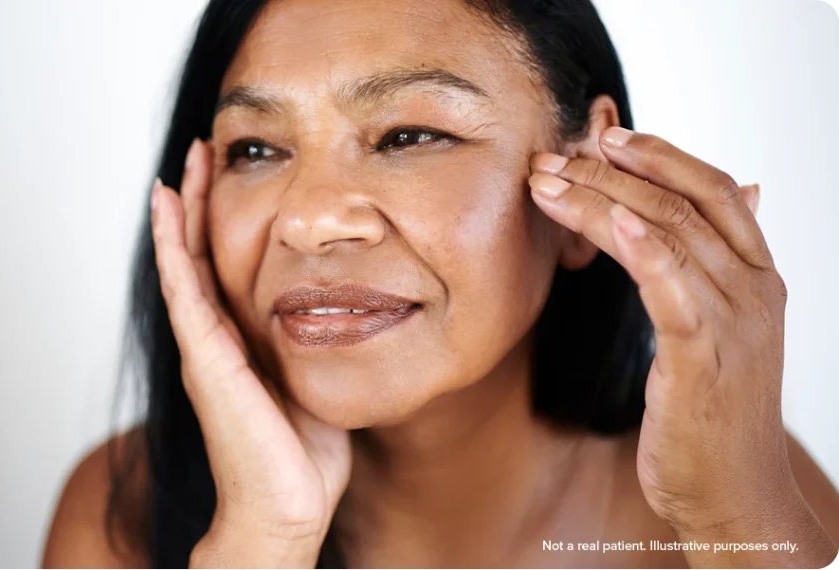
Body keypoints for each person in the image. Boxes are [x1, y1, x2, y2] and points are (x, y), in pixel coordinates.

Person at [41, 0, 839, 568]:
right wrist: (263, 541)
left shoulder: (744, 506)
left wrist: (730, 516)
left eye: (408, 135)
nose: (309, 220)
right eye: (255, 149)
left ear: (585, 176)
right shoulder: (124, 512)